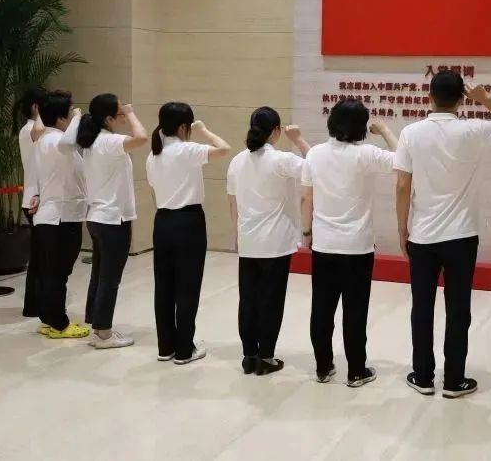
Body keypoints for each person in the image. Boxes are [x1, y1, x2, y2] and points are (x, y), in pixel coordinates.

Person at [395, 71, 491, 399]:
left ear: (429, 97)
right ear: (461, 100)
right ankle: (454, 380)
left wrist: (402, 228)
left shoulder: (410, 133)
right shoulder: (474, 129)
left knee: (421, 308)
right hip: (462, 237)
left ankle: (423, 376)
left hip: (422, 236)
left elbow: (402, 185)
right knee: (458, 309)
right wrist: (486, 99)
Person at [301, 99, 398, 388]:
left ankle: (323, 367)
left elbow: (306, 197)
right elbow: (404, 160)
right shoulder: (367, 154)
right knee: (355, 311)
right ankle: (356, 371)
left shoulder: (315, 154)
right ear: (361, 127)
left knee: (321, 309)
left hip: (323, 244)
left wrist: (306, 233)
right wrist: (386, 131)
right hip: (357, 246)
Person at [59, 94, 149, 350]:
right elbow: (141, 138)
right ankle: (103, 334)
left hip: (97, 218)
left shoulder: (93, 141)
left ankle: (98, 325)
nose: (124, 117)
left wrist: (123, 112)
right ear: (109, 118)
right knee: (110, 279)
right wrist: (132, 113)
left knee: (100, 276)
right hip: (112, 220)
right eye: (120, 114)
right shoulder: (109, 141)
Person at [228, 107, 310, 376]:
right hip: (275, 243)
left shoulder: (237, 161)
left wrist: (238, 235)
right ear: (276, 131)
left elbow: (233, 203)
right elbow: (317, 166)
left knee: (248, 301)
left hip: (248, 241)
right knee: (271, 301)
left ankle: (248, 355)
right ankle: (266, 356)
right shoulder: (282, 160)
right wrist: (298, 139)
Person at [146, 102, 230, 365]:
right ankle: (184, 349)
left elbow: (154, 192)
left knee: (164, 287)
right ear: (184, 126)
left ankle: (165, 347)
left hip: (162, 221)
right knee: (187, 286)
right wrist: (204, 131)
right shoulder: (186, 150)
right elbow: (224, 149)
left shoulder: (153, 156)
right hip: (188, 222)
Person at [32, 90, 89, 339]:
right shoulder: (57, 142)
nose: (74, 116)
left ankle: (48, 318)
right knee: (58, 273)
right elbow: (68, 143)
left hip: (52, 216)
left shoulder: (45, 140)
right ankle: (59, 324)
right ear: (60, 118)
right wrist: (77, 118)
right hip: (60, 218)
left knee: (51, 272)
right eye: (70, 113)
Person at [18, 87, 47, 319]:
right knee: (40, 258)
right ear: (36, 107)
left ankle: (34, 305)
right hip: (35, 199)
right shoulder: (32, 129)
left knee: (39, 256)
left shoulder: (31, 129)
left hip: (34, 197)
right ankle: (35, 305)